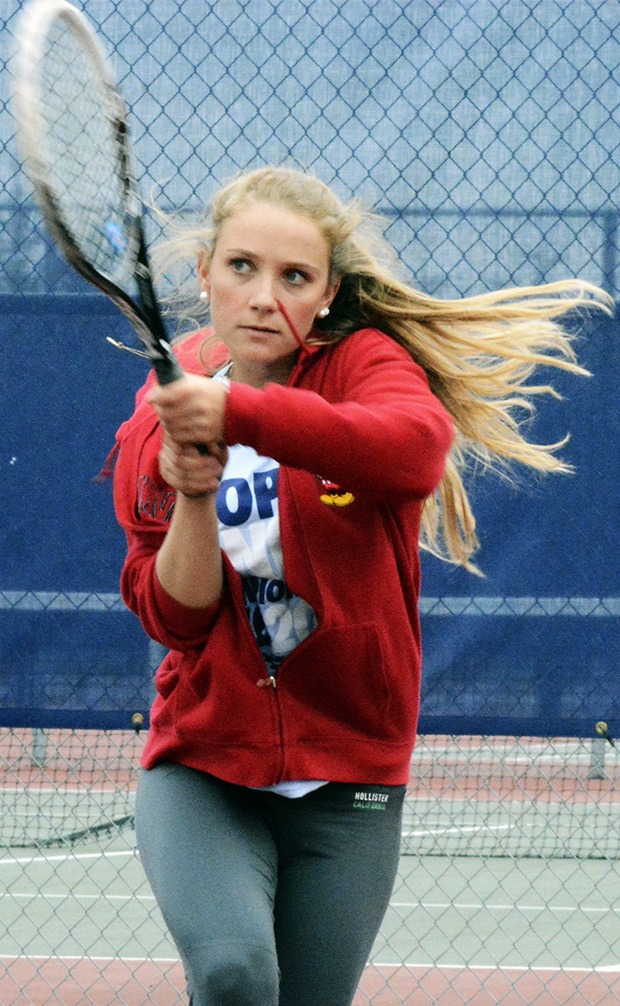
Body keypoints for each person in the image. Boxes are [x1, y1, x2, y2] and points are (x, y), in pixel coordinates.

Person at [112, 166, 612, 1006]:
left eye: (293, 277)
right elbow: (175, 617)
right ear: (203, 272)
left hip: (351, 777)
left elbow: (414, 449)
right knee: (235, 975)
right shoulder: (158, 415)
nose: (265, 295)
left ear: (326, 292)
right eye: (241, 267)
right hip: (202, 767)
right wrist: (195, 492)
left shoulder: (363, 366)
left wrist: (240, 416)